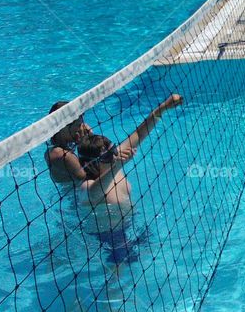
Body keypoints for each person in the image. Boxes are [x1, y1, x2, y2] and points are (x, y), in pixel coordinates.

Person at [77, 93, 183, 265]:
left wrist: (162, 108)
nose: (113, 155)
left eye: (112, 149)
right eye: (107, 155)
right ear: (91, 165)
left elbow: (140, 134)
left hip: (133, 224)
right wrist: (117, 164)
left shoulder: (113, 159)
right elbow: (97, 188)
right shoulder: (87, 186)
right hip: (110, 237)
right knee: (118, 277)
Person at [44, 101, 92, 185]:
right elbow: (88, 177)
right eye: (79, 125)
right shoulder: (61, 154)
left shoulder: (62, 144)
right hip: (73, 195)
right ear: (63, 127)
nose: (84, 127)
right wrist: (86, 143)